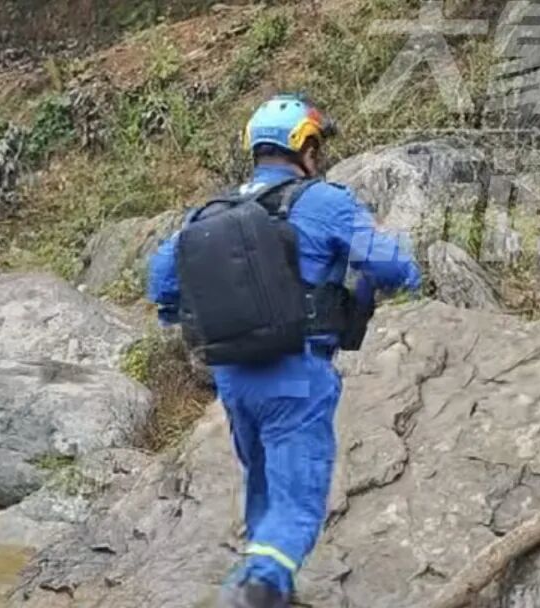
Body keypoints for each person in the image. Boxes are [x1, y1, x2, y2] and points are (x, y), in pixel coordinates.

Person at [147, 93, 422, 608]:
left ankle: (271, 583)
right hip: (297, 372)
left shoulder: (209, 212)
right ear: (307, 149)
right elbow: (389, 265)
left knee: (265, 486)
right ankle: (257, 587)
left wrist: (176, 314)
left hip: (233, 377)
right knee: (299, 504)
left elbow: (160, 281)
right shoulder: (324, 201)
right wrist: (414, 276)